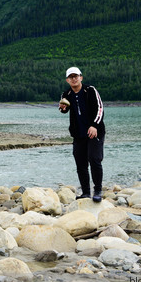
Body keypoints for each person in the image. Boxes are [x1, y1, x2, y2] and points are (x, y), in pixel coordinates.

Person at [59, 67, 105, 202]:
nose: (74, 79)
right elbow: (63, 109)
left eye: (76, 76)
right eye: (71, 77)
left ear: (81, 78)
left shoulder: (90, 90)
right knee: (80, 163)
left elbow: (100, 108)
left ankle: (98, 190)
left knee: (94, 159)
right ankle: (85, 192)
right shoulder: (66, 94)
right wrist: (62, 108)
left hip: (94, 131)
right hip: (78, 134)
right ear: (67, 80)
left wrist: (94, 125)